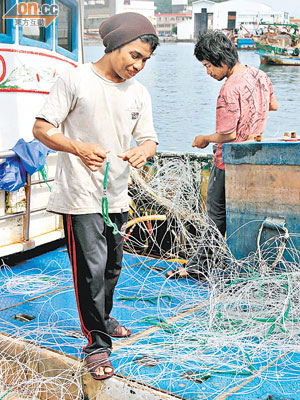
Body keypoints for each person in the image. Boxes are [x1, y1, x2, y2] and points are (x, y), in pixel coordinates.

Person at [33, 12, 159, 380]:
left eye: (145, 61)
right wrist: (77, 147)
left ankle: (102, 317)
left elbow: (148, 139)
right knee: (89, 272)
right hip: (80, 195)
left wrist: (143, 152)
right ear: (115, 44)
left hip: (118, 193)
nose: (139, 65)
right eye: (135, 55)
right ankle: (97, 345)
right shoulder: (73, 79)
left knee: (112, 267)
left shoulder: (138, 93)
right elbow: (42, 128)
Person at [166, 30, 278, 279]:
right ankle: (232, 262)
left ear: (222, 61)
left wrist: (204, 139)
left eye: (208, 66)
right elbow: (273, 105)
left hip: (227, 161)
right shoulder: (259, 74)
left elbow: (227, 135)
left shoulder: (229, 89)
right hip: (254, 159)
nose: (208, 72)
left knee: (215, 217)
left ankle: (200, 267)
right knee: (242, 216)